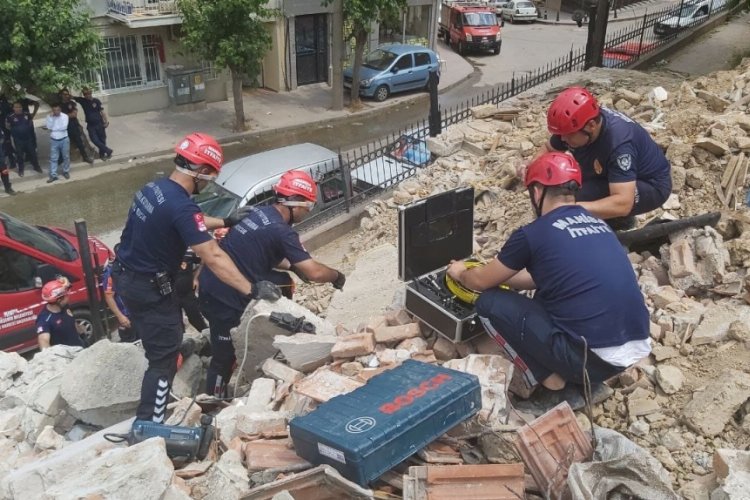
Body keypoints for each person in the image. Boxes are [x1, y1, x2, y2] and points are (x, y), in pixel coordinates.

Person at [448, 152, 650, 409]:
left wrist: (460, 271)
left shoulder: (533, 234)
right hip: (627, 354)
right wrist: (506, 280)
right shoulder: (597, 223)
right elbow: (544, 278)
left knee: (488, 303)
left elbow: (478, 282)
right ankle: (572, 366)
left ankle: (550, 381)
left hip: (589, 360)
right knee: (548, 295)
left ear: (537, 191)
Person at [112, 132, 282, 424]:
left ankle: (152, 415)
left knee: (163, 343)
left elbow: (192, 221)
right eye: (210, 176)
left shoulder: (153, 189)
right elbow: (213, 256)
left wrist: (228, 220)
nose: (208, 182)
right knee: (163, 359)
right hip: (150, 289)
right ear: (201, 171)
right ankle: (148, 426)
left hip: (128, 279)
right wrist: (251, 289)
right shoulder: (181, 206)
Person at [198, 170, 347, 398]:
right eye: (307, 207)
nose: (307, 212)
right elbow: (314, 272)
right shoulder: (281, 231)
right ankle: (213, 402)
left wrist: (293, 267)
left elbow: (263, 251)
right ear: (294, 205)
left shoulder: (260, 213)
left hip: (215, 283)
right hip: (222, 294)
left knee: (283, 283)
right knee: (225, 355)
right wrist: (336, 276)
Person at [537, 86, 672, 230]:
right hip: (608, 172)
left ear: (591, 126)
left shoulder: (619, 145)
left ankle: (618, 224)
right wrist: (531, 168)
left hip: (650, 184)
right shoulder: (577, 126)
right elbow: (549, 150)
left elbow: (623, 202)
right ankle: (613, 219)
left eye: (568, 134)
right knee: (556, 191)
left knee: (574, 199)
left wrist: (571, 209)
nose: (562, 139)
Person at [36, 277, 86, 349]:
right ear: (59, 300)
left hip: (80, 348)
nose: (68, 296)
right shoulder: (44, 320)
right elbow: (43, 342)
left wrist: (81, 332)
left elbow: (71, 320)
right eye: (66, 295)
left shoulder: (64, 306)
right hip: (68, 357)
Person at [101, 258, 138, 343]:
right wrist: (120, 316)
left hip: (136, 311)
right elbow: (109, 297)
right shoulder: (111, 273)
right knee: (129, 341)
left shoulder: (130, 265)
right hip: (126, 315)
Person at [74, 87, 113, 160]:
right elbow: (73, 97)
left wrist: (106, 121)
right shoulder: (83, 101)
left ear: (91, 93)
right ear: (84, 95)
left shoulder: (96, 101)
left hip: (100, 124)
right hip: (91, 125)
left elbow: (102, 112)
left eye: (89, 93)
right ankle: (108, 150)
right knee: (94, 140)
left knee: (102, 140)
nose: (87, 95)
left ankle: (102, 155)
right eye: (85, 94)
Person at [174, 249, 207, 333]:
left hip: (188, 293)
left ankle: (209, 341)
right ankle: (181, 343)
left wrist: (196, 277)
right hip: (172, 295)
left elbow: (204, 260)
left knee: (196, 319)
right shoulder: (161, 250)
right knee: (176, 324)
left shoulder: (189, 251)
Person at [6, 101, 42, 177]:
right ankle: (21, 170)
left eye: (19, 107)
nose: (18, 109)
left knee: (33, 153)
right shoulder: (10, 116)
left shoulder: (26, 114)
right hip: (18, 140)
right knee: (19, 155)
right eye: (16, 107)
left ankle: (36, 166)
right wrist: (15, 132)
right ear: (13, 108)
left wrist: (27, 129)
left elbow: (30, 121)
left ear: (22, 108)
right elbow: (8, 126)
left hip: (28, 138)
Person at [59, 88, 94, 164]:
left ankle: (85, 157)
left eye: (67, 94)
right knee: (63, 144)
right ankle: (61, 159)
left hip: (73, 125)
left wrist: (64, 115)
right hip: (64, 127)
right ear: (61, 95)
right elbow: (58, 116)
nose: (66, 96)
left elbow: (74, 114)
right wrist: (66, 115)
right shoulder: (59, 105)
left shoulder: (72, 103)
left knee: (79, 142)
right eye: (64, 94)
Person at [45, 103, 70, 183]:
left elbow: (64, 127)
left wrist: (54, 128)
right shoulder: (49, 117)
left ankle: (66, 171)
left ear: (60, 110)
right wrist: (52, 118)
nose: (56, 112)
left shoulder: (65, 116)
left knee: (65, 156)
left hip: (64, 138)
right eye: (54, 110)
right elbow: (49, 127)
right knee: (53, 158)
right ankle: (53, 175)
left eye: (58, 110)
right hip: (54, 139)